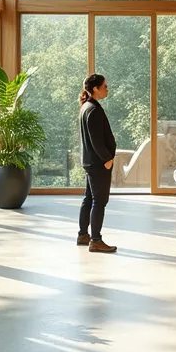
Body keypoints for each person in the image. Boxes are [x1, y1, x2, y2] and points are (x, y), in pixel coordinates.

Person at [77, 74, 118, 253]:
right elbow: (96, 141)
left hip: (90, 161)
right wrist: (107, 159)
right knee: (99, 201)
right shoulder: (93, 110)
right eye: (105, 86)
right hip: (98, 163)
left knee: (89, 198)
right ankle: (95, 240)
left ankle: (83, 235)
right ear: (95, 89)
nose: (107, 88)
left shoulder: (86, 107)